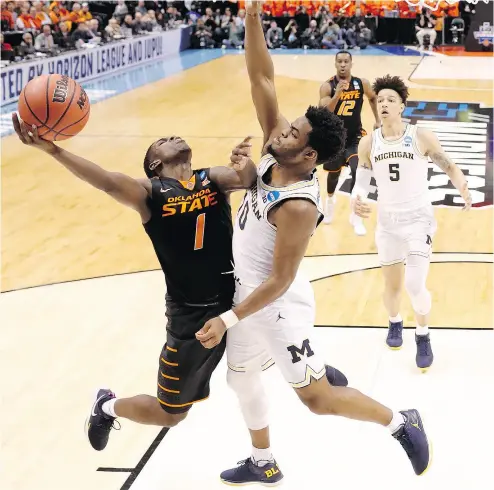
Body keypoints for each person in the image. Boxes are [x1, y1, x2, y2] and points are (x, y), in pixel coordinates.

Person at [194, 4, 431, 486]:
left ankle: (401, 422)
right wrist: (254, 16)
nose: (279, 130)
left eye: (292, 132)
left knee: (317, 400)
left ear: (308, 155)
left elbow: (280, 281)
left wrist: (225, 319)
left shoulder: (300, 203)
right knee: (240, 380)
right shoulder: (277, 148)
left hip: (278, 305)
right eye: (287, 125)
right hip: (248, 295)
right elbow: (261, 76)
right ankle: (264, 461)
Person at [11, 113, 257, 451]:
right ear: (155, 163)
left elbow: (248, 180)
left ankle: (314, 381)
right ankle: (106, 407)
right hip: (192, 314)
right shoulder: (149, 192)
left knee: (274, 337)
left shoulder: (211, 177)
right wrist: (54, 150)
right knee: (171, 413)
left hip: (236, 297)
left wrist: (244, 163)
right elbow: (107, 181)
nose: (173, 135)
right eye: (163, 141)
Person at [351, 75, 472, 370]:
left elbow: (449, 165)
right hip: (388, 223)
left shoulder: (421, 137)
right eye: (380, 100)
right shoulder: (369, 143)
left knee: (415, 284)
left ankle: (422, 334)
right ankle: (395, 323)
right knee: (392, 288)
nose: (384, 104)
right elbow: (362, 182)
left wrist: (465, 192)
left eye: (391, 100)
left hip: (418, 219)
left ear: (403, 106)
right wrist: (357, 200)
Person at [319, 50, 380, 235]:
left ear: (351, 63)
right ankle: (330, 201)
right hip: (335, 138)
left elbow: (373, 97)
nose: (343, 64)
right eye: (340, 62)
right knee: (333, 176)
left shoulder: (361, 83)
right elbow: (323, 111)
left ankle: (356, 216)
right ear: (335, 64)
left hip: (355, 137)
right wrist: (337, 95)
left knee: (358, 172)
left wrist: (377, 120)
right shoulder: (327, 86)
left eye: (346, 61)